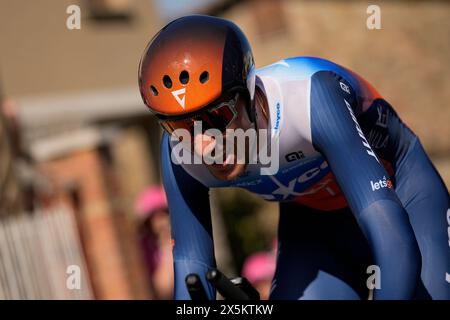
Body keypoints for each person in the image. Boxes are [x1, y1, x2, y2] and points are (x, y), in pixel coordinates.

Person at [138, 15, 450, 299]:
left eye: (217, 117)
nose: (204, 144)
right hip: (315, 224)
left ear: (248, 95)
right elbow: (191, 270)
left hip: (402, 196)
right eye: (179, 126)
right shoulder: (179, 153)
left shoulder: (310, 97)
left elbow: (393, 241)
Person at [135, 186, 173, 299]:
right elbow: (163, 288)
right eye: (155, 217)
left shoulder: (182, 236)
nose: (163, 222)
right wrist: (167, 248)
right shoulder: (146, 247)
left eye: (165, 213)